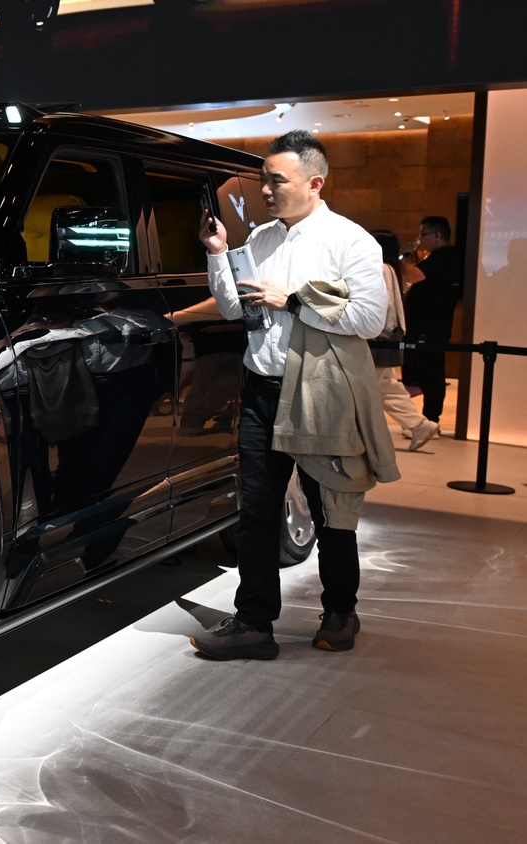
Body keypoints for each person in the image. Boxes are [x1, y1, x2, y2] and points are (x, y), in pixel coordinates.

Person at [191, 130, 396, 660]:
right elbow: (235, 308)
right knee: (257, 512)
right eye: (263, 180)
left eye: (276, 180)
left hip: (319, 394)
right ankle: (254, 623)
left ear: (315, 183)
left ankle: (340, 612)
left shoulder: (350, 241)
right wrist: (219, 255)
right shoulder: (261, 239)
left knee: (330, 509)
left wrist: (295, 302)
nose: (265, 190)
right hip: (261, 392)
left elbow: (370, 320)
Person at [370, 229, 438, 451]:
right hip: (387, 336)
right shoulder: (392, 268)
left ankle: (361, 436)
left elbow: (384, 304)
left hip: (379, 336)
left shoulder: (381, 269)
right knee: (387, 387)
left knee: (366, 388)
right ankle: (420, 426)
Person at [403, 215, 464, 424]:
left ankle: (431, 420)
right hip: (429, 325)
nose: (420, 240)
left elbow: (412, 276)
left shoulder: (445, 256)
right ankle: (429, 420)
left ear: (438, 235)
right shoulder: (443, 257)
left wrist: (407, 257)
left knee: (431, 373)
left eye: (423, 234)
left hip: (430, 326)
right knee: (427, 372)